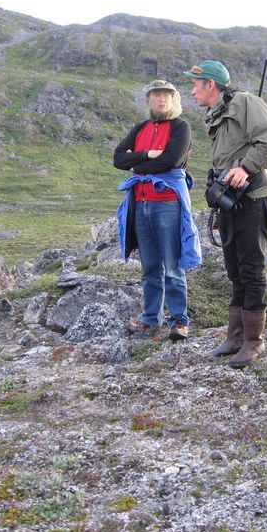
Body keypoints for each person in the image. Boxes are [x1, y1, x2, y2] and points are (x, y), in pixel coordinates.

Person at [184, 60, 267, 368]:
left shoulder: (243, 102)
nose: (192, 90)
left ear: (211, 85)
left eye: (195, 84)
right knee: (234, 270)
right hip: (231, 200)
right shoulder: (217, 112)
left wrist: (245, 167)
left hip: (254, 198)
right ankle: (235, 336)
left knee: (251, 269)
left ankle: (254, 342)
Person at [114, 79, 201, 341]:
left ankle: (179, 320)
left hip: (167, 204)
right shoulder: (140, 128)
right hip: (140, 205)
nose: (161, 99)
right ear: (148, 100)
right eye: (156, 95)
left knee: (172, 266)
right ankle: (150, 319)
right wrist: (149, 154)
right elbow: (118, 158)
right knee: (150, 266)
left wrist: (138, 163)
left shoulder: (180, 127)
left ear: (174, 100)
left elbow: (172, 160)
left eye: (166, 95)